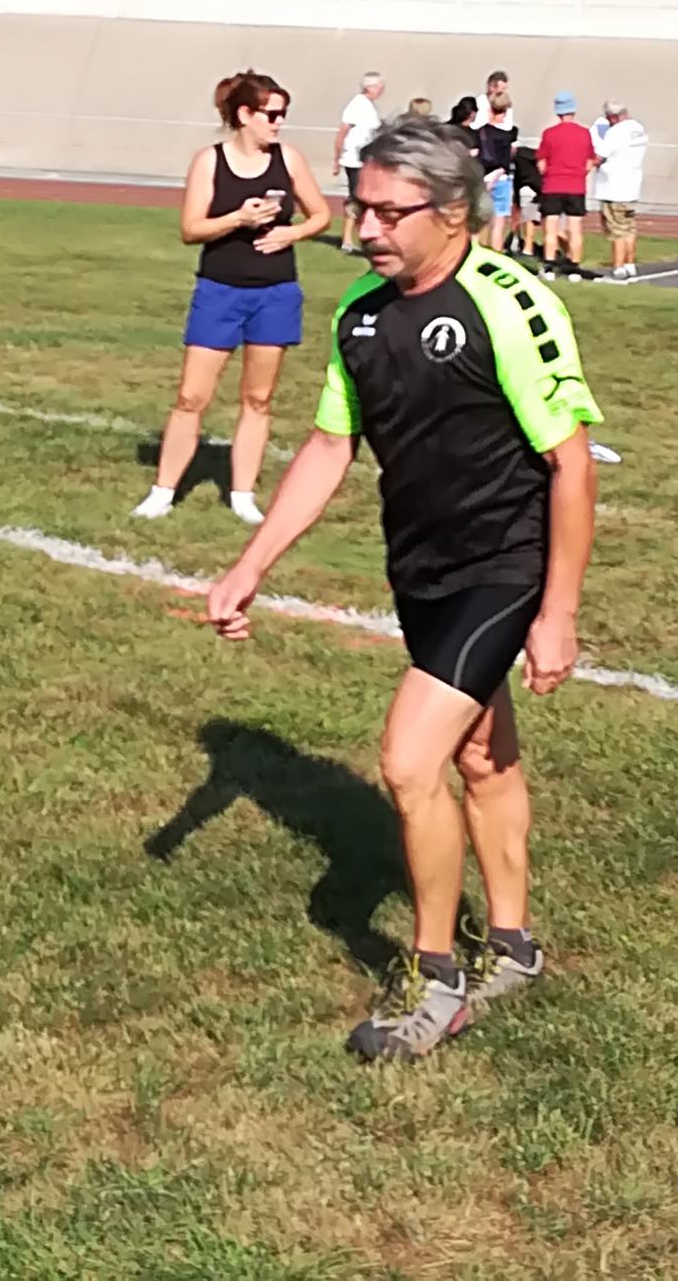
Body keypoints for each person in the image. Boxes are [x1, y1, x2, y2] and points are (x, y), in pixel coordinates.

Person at [208, 115, 600, 1061]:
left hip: (503, 564)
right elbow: (332, 445)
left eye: (390, 212)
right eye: (359, 208)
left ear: (453, 211)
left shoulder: (506, 302)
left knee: (407, 762)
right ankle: (512, 945)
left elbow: (572, 465)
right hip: (420, 567)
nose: (366, 229)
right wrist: (249, 564)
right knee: (480, 757)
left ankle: (437, 980)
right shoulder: (361, 314)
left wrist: (555, 612)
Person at [132, 71, 330, 526]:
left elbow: (320, 214)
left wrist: (293, 232)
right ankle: (163, 491)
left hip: (275, 292)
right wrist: (238, 218)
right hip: (219, 291)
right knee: (191, 396)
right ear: (245, 115)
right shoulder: (210, 161)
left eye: (283, 115)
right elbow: (190, 229)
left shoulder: (289, 159)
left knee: (258, 398)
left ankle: (242, 495)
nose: (279, 123)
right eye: (272, 115)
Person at [537, 93, 597, 281]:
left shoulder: (549, 134)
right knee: (575, 227)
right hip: (575, 186)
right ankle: (574, 266)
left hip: (553, 184)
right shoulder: (584, 133)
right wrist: (579, 174)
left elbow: (541, 163)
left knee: (550, 227)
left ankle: (549, 266)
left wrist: (549, 173)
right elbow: (590, 161)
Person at [594, 100, 648, 280]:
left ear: (614, 117)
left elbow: (599, 156)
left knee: (616, 228)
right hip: (632, 185)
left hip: (614, 187)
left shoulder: (615, 132)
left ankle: (618, 267)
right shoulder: (638, 128)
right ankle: (629, 263)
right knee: (629, 227)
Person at [333, 72, 385, 255]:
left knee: (366, 198)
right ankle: (347, 239)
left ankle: (363, 236)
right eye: (379, 86)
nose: (382, 90)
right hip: (354, 160)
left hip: (366, 160)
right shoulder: (357, 104)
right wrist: (337, 158)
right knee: (357, 198)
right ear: (370, 87)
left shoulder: (369, 106)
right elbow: (343, 131)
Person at [476, 85, 517, 252]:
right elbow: (508, 158)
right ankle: (496, 256)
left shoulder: (481, 132)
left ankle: (475, 255)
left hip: (483, 178)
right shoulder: (511, 133)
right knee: (498, 225)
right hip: (501, 179)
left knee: (478, 223)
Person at [511, 145, 543, 259]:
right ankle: (527, 249)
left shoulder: (519, 162)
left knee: (556, 229)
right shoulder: (525, 157)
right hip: (547, 191)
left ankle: (528, 250)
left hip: (550, 192)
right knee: (528, 216)